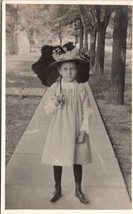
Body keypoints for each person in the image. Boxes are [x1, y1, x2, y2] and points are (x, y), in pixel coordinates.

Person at [41, 46, 93, 204]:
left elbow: (88, 111)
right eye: (65, 69)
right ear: (59, 70)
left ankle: (78, 189)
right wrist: (56, 102)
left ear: (77, 70)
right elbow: (47, 110)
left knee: (77, 159)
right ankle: (57, 187)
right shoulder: (55, 88)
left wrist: (84, 130)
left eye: (72, 69)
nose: (69, 72)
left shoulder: (80, 88)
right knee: (58, 158)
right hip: (60, 129)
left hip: (76, 128)